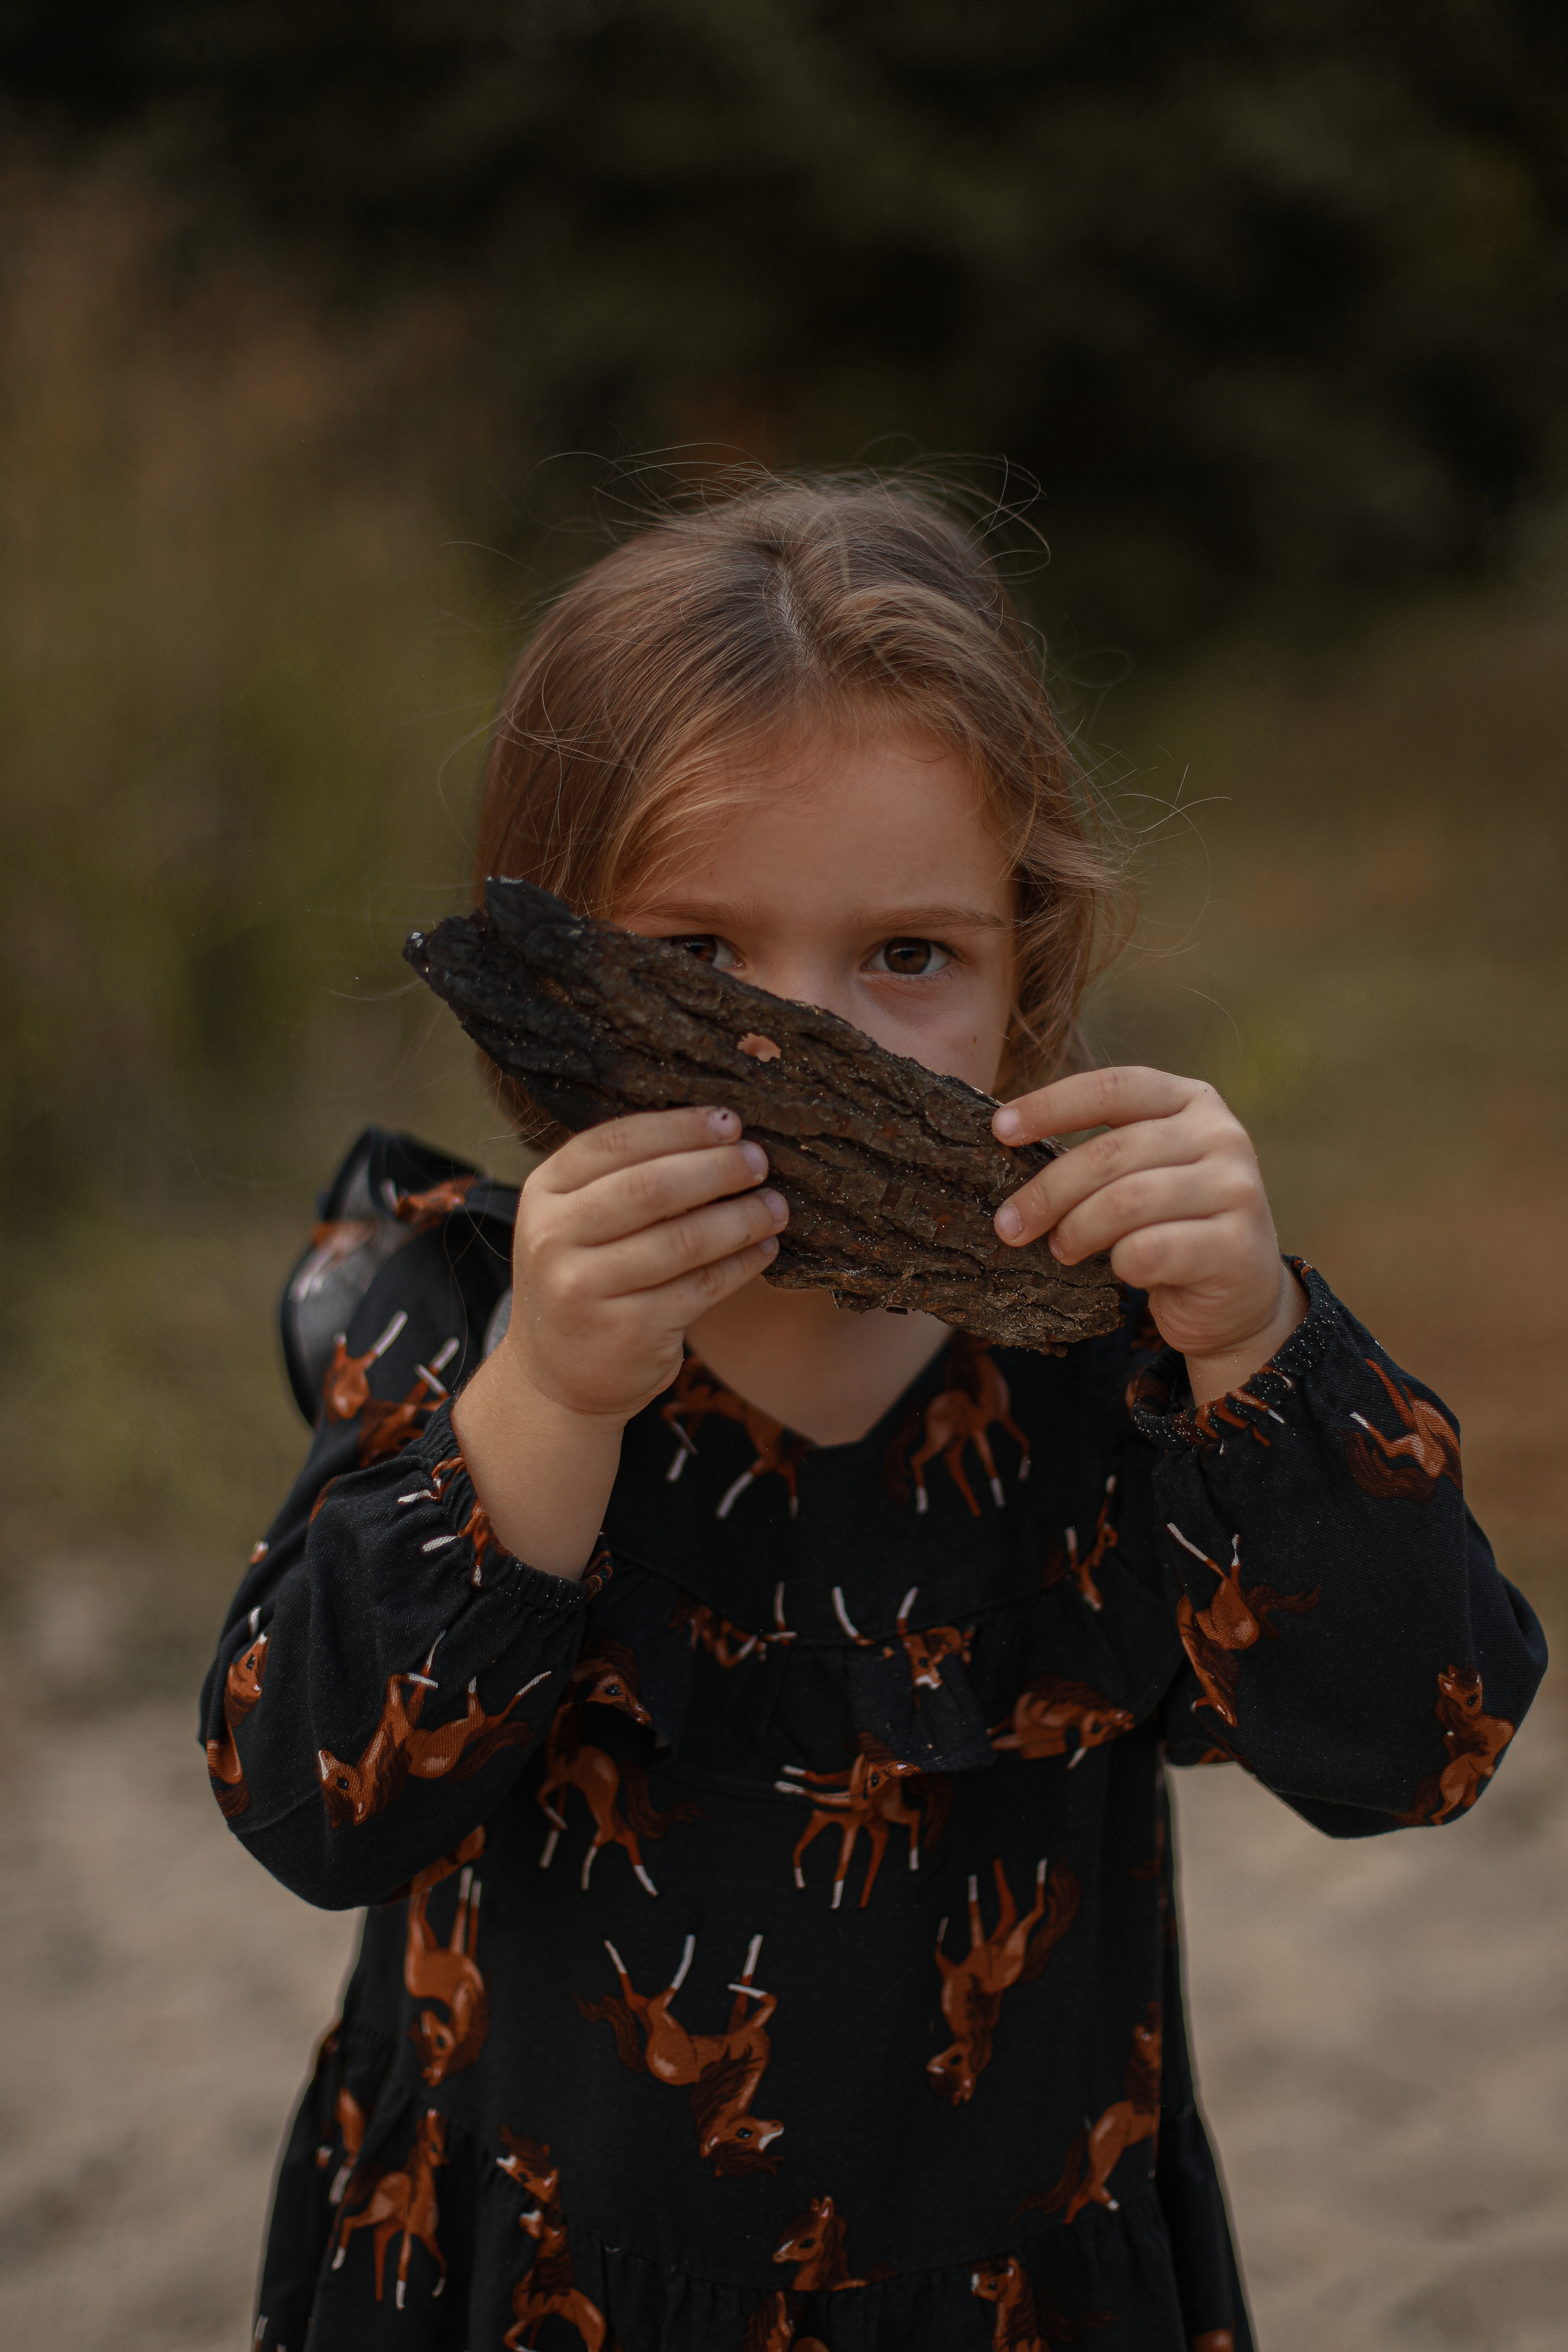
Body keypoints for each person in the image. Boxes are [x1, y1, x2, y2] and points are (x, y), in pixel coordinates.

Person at [206, 478, 1545, 2352]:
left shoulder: (1121, 1384)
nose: (802, 1050)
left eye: (905, 957)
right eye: (696, 964)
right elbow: (310, 1807)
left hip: (1014, 2287)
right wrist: (547, 1406)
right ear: (552, 996)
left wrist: (1257, 1344)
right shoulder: (458, 1316)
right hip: (529, 2275)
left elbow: (1420, 1744)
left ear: (1026, 978)